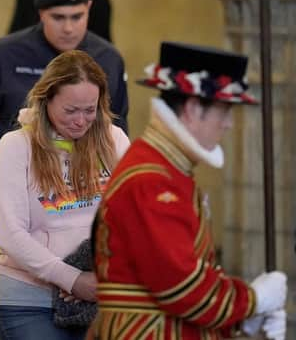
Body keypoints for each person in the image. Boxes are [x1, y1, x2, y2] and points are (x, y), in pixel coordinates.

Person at [93, 42, 287, 339]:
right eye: (224, 112)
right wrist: (252, 300)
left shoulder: (165, 169)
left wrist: (240, 319)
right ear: (194, 108)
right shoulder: (152, 179)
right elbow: (180, 285)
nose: (227, 125)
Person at [0, 50, 129, 340]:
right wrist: (72, 279)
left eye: (90, 109)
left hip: (98, 293)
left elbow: (130, 219)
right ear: (46, 99)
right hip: (29, 299)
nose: (81, 121)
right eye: (70, 110)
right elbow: (11, 235)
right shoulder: (15, 146)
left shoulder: (115, 140)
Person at [0, 0, 128, 149]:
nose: (68, 28)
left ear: (88, 8)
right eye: (58, 17)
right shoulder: (1, 55)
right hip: (19, 170)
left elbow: (118, 133)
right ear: (41, 13)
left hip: (88, 173)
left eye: (77, 17)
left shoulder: (110, 60)